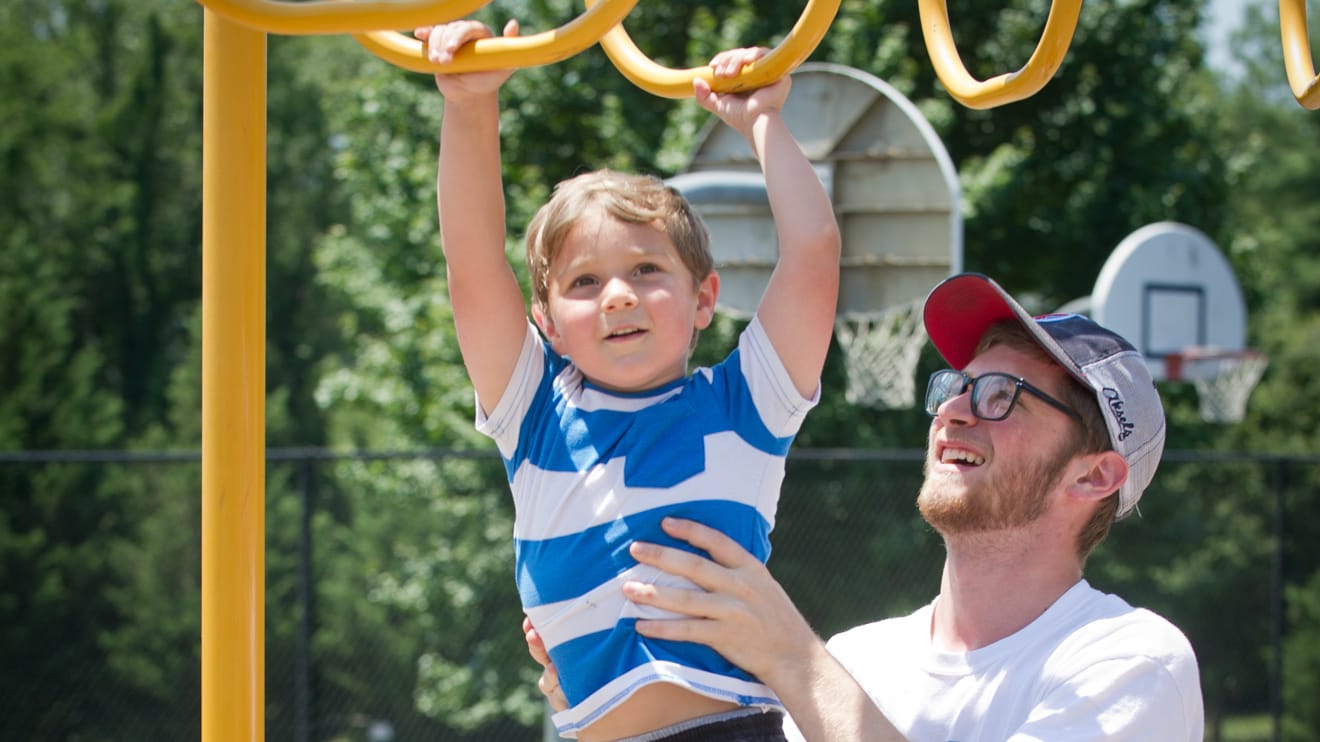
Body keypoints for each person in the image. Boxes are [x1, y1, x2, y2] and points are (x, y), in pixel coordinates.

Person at [528, 272, 1205, 740]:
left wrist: (791, 658)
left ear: (1094, 477)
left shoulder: (1131, 663)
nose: (955, 410)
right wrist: (623, 714)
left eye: (1001, 394)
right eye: (954, 386)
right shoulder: (855, 661)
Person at [417, 18, 841, 742]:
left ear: (705, 298)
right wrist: (469, 105)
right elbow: (474, 270)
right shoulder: (538, 413)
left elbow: (813, 255)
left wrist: (763, 123)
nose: (618, 296)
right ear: (545, 321)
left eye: (647, 270)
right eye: (585, 282)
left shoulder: (743, 409)